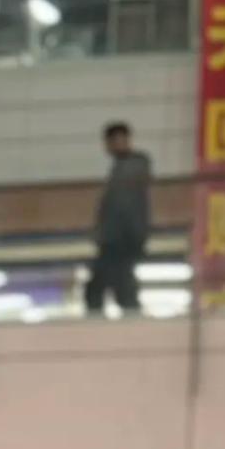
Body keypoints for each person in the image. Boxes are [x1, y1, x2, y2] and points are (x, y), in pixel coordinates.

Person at [85, 122, 154, 316]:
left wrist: (105, 233)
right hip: (120, 238)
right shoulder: (124, 167)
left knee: (105, 286)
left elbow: (121, 206)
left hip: (119, 238)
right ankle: (130, 317)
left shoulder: (132, 166)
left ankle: (122, 319)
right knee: (117, 284)